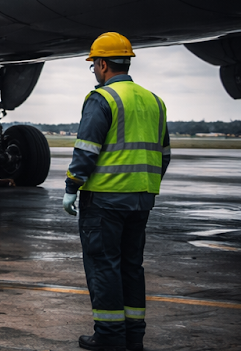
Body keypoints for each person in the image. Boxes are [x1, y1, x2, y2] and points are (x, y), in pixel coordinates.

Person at [63, 32, 170, 351]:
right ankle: (133, 336)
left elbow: (86, 149)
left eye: (94, 65)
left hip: (105, 201)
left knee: (104, 265)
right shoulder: (154, 100)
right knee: (131, 266)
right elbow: (164, 154)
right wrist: (142, 184)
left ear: (102, 64)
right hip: (142, 199)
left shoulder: (102, 99)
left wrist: (72, 186)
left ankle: (109, 336)